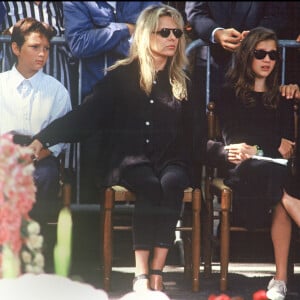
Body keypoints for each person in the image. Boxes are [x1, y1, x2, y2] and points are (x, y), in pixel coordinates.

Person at [29, 4, 197, 293]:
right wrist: (45, 138)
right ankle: (141, 275)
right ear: (146, 35)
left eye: (177, 32)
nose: (172, 38)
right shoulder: (121, 77)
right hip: (130, 159)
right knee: (148, 184)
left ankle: (158, 273)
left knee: (172, 182)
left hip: (171, 159)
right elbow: (86, 116)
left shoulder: (182, 81)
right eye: (164, 32)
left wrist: (225, 152)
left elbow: (196, 137)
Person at [210, 27, 300, 300]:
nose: (267, 60)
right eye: (260, 53)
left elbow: (287, 148)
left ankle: (280, 280)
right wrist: (269, 145)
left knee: (280, 187)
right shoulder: (228, 94)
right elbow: (238, 143)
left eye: (273, 55)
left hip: (275, 173)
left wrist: (263, 146)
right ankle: (280, 278)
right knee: (281, 181)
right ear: (247, 56)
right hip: (244, 173)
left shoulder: (282, 98)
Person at [62, 1, 161, 203]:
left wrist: (104, 37)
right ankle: (92, 234)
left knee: (141, 175)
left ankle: (131, 234)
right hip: (96, 100)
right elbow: (79, 43)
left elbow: (157, 38)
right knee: (92, 179)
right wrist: (124, 29)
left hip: (140, 99)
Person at [0, 17, 72, 219]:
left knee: (44, 176)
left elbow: (59, 140)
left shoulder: (57, 91)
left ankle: (33, 241)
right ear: (16, 48)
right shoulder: (1, 85)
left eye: (46, 48)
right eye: (34, 47)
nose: (42, 54)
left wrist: (30, 157)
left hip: (41, 157)